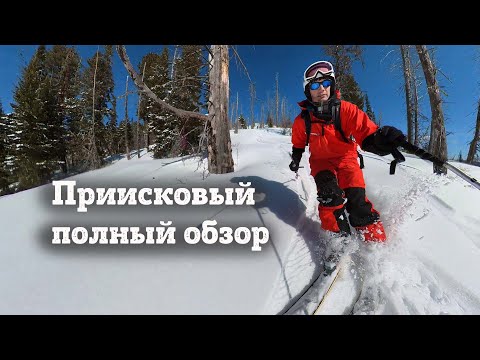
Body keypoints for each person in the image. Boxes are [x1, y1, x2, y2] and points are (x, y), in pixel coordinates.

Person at [289, 60, 405, 245]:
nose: (322, 89)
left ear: (332, 85)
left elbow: (366, 132)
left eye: (326, 83)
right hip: (321, 163)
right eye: (315, 85)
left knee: (357, 201)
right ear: (308, 91)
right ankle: (337, 241)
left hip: (347, 159)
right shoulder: (302, 120)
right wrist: (296, 157)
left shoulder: (346, 110)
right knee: (329, 197)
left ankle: (376, 243)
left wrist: (380, 139)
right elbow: (298, 141)